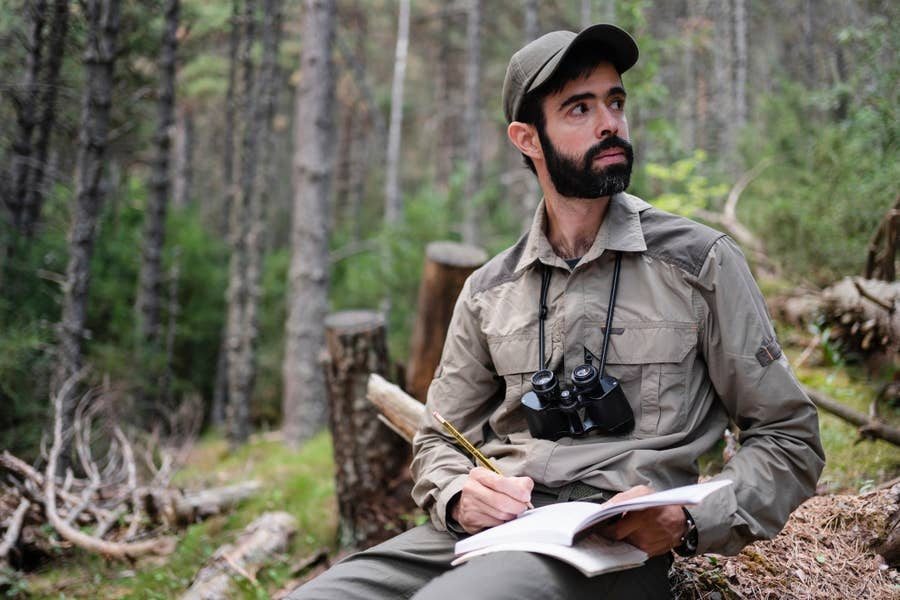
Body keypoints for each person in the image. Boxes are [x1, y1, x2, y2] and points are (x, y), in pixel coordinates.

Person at [289, 23, 824, 600]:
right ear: (527, 138)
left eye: (615, 102)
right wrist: (457, 494)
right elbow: (438, 440)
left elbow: (789, 436)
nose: (609, 123)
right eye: (579, 108)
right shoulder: (489, 290)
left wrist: (693, 518)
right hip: (497, 532)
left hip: (614, 543)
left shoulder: (699, 263)